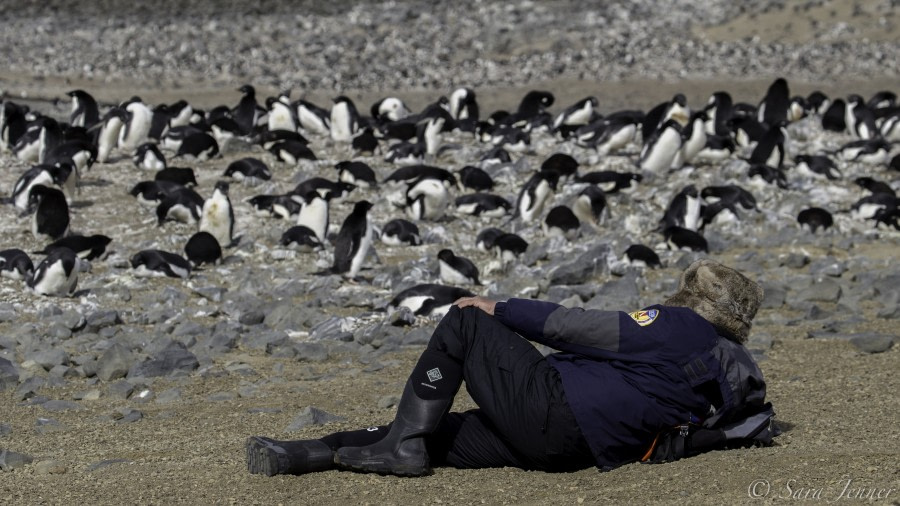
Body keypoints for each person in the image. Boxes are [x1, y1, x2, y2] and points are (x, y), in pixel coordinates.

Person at [246, 259, 768, 476]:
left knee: (464, 320)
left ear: (697, 298)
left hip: (557, 411)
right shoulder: (735, 372)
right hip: (574, 449)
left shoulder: (682, 327)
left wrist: (499, 308)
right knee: (440, 433)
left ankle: (399, 450)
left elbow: (578, 327)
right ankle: (303, 454)